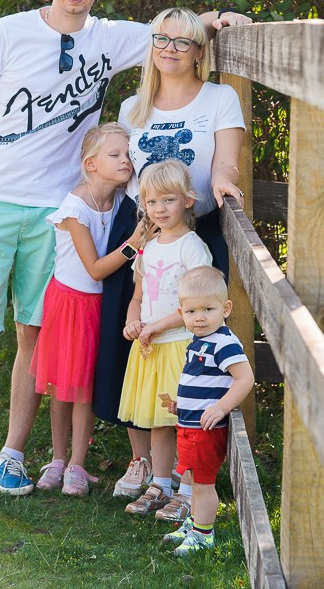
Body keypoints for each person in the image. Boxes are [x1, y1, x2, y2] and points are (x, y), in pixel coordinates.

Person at [0, 0, 250, 509]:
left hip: (56, 212)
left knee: (34, 335)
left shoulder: (110, 37)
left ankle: (14, 456)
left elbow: (173, 35)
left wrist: (216, 19)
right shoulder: (5, 33)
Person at [93, 7, 246, 506]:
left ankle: (190, 467)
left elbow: (225, 162)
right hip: (140, 233)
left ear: (200, 51)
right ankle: (142, 460)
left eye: (184, 42)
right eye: (161, 39)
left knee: (191, 345)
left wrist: (222, 182)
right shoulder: (133, 106)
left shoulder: (219, 98)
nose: (170, 49)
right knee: (132, 336)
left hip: (195, 230)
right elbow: (119, 171)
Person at [29, 123, 148, 497]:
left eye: (128, 154)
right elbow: (95, 269)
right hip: (69, 303)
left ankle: (78, 465)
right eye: (115, 155)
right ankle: (58, 459)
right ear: (91, 164)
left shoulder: (121, 200)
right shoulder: (75, 208)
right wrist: (134, 243)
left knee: (85, 387)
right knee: (63, 385)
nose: (125, 160)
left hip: (99, 305)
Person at [116, 160, 212, 518]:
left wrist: (157, 325)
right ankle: (160, 484)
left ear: (187, 200)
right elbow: (138, 296)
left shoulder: (192, 247)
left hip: (181, 344)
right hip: (150, 346)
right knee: (158, 419)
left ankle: (187, 491)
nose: (159, 209)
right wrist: (133, 321)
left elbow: (199, 303)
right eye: (152, 202)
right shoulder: (148, 247)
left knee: (183, 420)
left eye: (168, 200)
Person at [161, 265, 254, 556]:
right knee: (191, 478)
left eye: (207, 309)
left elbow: (245, 378)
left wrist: (221, 407)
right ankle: (194, 524)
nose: (199, 317)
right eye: (191, 312)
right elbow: (202, 381)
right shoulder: (198, 341)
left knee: (202, 484)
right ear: (181, 313)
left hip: (206, 429)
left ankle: (204, 534)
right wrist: (182, 406)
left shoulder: (224, 343)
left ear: (225, 309)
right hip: (189, 425)